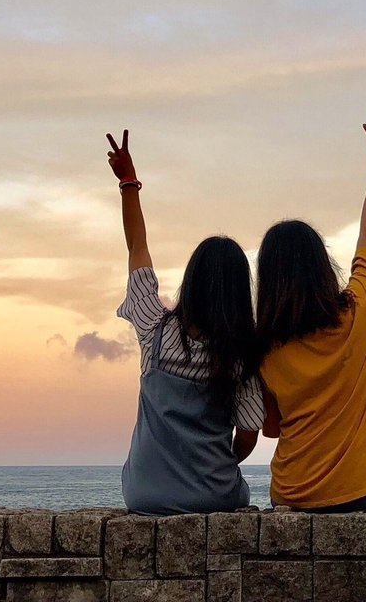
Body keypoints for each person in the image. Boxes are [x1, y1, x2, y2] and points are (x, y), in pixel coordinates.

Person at [107, 128, 263, 515]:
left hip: (145, 495)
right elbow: (246, 437)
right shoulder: (242, 359)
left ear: (191, 281)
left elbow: (137, 247)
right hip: (211, 493)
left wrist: (129, 183)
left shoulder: (153, 329)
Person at [256, 116, 366, 511]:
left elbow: (271, 428)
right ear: (323, 266)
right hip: (363, 490)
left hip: (293, 493)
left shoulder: (264, 348)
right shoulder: (357, 312)